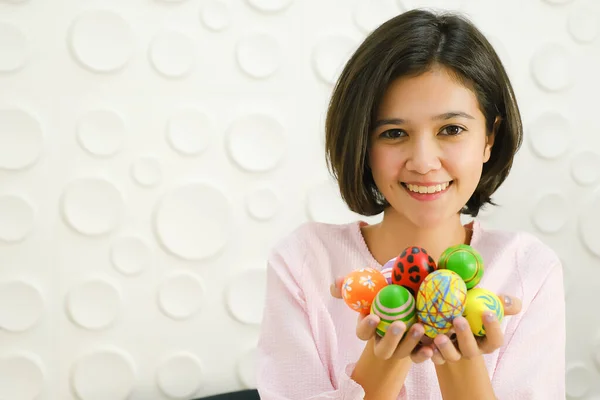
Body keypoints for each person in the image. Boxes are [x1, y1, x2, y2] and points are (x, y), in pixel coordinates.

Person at [255, 8, 565, 400]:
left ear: (490, 138)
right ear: (363, 145)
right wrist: (383, 361)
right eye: (394, 132)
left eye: (451, 129)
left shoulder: (529, 269)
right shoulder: (305, 262)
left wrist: (461, 362)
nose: (422, 161)